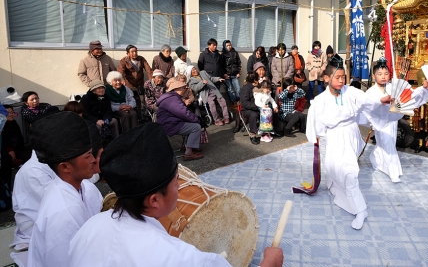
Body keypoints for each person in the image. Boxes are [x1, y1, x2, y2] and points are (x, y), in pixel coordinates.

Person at [68, 123, 284, 267]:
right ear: (154, 199)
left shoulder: (91, 227)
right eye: (176, 182)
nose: (180, 188)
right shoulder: (176, 258)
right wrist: (270, 263)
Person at [26, 112, 102, 267]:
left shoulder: (80, 187)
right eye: (88, 156)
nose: (94, 160)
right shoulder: (64, 213)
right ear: (65, 167)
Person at [306, 54, 369, 230]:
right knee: (333, 166)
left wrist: (382, 101)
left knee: (349, 172)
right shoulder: (320, 100)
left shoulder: (351, 92)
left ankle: (361, 209)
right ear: (326, 78)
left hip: (351, 135)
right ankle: (336, 187)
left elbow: (368, 100)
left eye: (344, 77)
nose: (342, 81)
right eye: (338, 77)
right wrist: (316, 137)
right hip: (334, 137)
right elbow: (316, 123)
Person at [362, 57, 428, 183]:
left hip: (392, 120)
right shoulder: (371, 91)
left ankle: (383, 163)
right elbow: (367, 105)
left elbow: (410, 96)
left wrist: (423, 89)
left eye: (386, 73)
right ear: (373, 76)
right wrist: (380, 101)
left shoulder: (393, 87)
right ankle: (389, 168)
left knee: (389, 143)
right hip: (380, 121)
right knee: (384, 142)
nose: (383, 76)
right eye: (379, 74)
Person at [9, 109, 60, 254]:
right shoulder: (35, 170)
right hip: (35, 223)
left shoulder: (50, 159)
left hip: (51, 214)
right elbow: (57, 204)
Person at [157, 80, 203, 161]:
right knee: (196, 127)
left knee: (192, 123)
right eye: (183, 88)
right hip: (170, 125)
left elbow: (182, 112)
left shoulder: (170, 97)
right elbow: (183, 113)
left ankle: (190, 146)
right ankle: (188, 153)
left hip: (169, 123)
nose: (185, 89)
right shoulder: (173, 99)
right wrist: (197, 119)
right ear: (177, 89)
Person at [237, 72, 260, 144]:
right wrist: (256, 106)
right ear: (255, 80)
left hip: (257, 106)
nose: (259, 79)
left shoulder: (257, 86)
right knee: (253, 115)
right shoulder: (246, 88)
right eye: (258, 78)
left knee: (268, 111)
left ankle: (269, 131)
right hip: (247, 110)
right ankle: (252, 135)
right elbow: (244, 103)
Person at [220, 40, 242, 108]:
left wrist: (239, 72)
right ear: (224, 46)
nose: (229, 47)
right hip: (227, 75)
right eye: (227, 46)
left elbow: (239, 63)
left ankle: (239, 101)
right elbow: (221, 66)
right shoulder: (223, 55)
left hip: (235, 75)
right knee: (230, 90)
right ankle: (234, 102)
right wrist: (224, 74)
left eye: (230, 45)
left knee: (238, 89)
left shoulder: (235, 53)